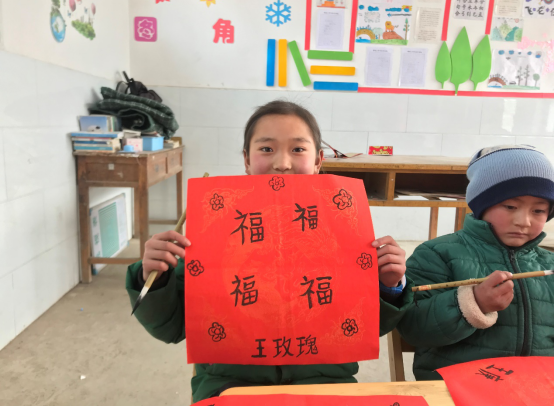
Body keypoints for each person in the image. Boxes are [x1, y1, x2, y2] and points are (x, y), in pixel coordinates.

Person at [126, 100, 413, 402]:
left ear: (318, 160)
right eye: (266, 149)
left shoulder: (344, 231)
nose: (282, 163)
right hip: (231, 387)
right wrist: (155, 279)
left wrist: (389, 286)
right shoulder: (214, 233)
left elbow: (364, 328)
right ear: (246, 160)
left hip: (327, 385)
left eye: (298, 149)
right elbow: (170, 328)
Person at [398, 145, 554, 380]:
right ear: (482, 204)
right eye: (510, 206)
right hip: (458, 387)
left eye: (539, 211)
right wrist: (474, 304)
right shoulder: (437, 254)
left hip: (537, 387)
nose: (524, 221)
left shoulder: (549, 264)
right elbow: (413, 328)